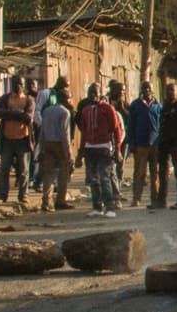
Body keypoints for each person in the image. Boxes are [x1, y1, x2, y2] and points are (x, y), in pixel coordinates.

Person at [75, 83, 123, 218]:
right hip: (90, 148)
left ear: (100, 93)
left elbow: (116, 130)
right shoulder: (85, 110)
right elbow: (83, 134)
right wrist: (80, 154)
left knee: (105, 178)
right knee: (93, 179)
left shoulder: (108, 109)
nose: (92, 95)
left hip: (104, 148)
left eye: (95, 93)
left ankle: (110, 207)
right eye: (90, 92)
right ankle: (97, 207)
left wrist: (118, 150)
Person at [0, 76, 34, 204]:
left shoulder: (28, 99)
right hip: (7, 138)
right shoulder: (5, 98)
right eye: (15, 83)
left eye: (20, 83)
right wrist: (18, 114)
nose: (18, 86)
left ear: (24, 85)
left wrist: (10, 114)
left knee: (23, 170)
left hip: (23, 138)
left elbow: (28, 117)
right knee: (4, 169)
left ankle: (23, 195)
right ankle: (1, 196)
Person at [36, 86, 75, 212]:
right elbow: (64, 133)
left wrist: (41, 147)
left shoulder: (47, 111)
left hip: (47, 143)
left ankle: (46, 202)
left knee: (49, 173)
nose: (70, 101)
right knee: (63, 172)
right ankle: (60, 200)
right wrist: (68, 152)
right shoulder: (65, 112)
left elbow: (42, 130)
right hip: (59, 144)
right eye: (69, 98)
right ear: (65, 99)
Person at [125, 82, 162, 208]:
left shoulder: (158, 106)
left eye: (149, 88)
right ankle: (136, 199)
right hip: (140, 144)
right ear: (141, 90)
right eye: (145, 88)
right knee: (139, 173)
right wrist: (131, 143)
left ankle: (154, 199)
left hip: (155, 144)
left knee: (155, 173)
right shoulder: (135, 105)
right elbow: (130, 125)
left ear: (152, 90)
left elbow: (161, 125)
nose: (147, 90)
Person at [154, 83, 177, 210]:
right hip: (164, 143)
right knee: (162, 172)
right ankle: (161, 201)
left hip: (175, 144)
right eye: (168, 90)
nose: (170, 92)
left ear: (176, 92)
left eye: (172, 90)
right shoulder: (164, 107)